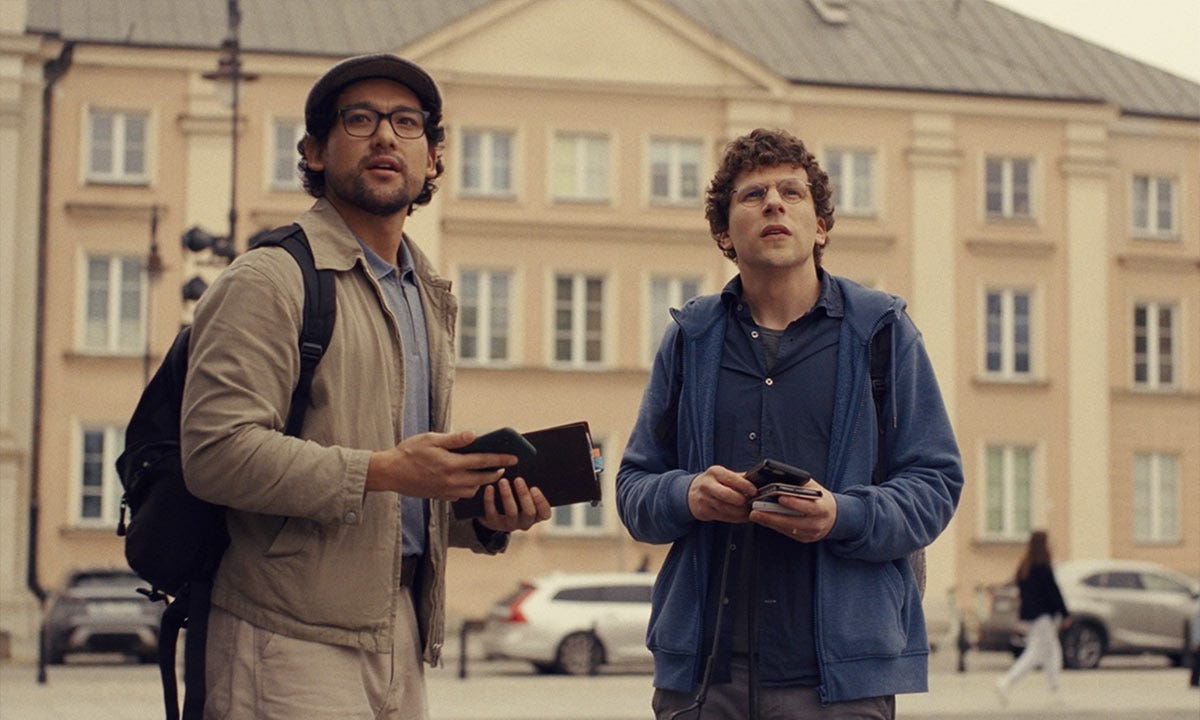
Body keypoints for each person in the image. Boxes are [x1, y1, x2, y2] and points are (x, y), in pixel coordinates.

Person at [180, 54, 551, 720]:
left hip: (399, 629)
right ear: (314, 151)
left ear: (434, 157)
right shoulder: (268, 279)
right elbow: (216, 454)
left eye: (407, 123)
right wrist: (386, 471)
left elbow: (397, 499)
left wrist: (480, 514)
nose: (386, 136)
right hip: (286, 634)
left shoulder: (425, 292)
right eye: (361, 119)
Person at [617, 128, 963, 720]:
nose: (774, 203)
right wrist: (688, 493)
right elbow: (633, 489)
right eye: (753, 195)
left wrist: (841, 515)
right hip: (704, 676)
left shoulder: (882, 332)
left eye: (792, 193)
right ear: (726, 234)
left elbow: (935, 485)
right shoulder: (691, 338)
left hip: (840, 680)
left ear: (820, 226)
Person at [995, 530, 1070, 705]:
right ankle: (1006, 682)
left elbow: (1022, 590)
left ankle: (1055, 690)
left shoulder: (1026, 565)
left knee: (1051, 652)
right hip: (1043, 616)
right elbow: (1053, 591)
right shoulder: (1042, 566)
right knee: (1036, 653)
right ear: (1043, 544)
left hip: (1033, 615)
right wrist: (1065, 613)